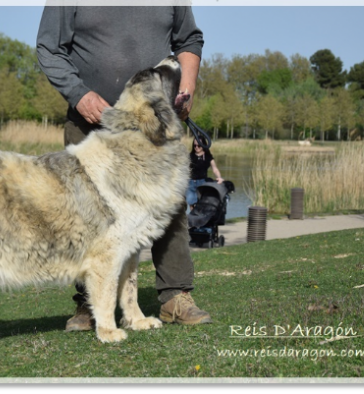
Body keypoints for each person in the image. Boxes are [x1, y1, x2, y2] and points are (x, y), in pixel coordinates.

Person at [36, 5, 212, 330]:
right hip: (91, 118)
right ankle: (90, 304)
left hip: (154, 119)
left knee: (169, 209)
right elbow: (49, 49)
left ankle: (175, 296)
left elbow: (189, 40)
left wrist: (185, 90)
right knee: (89, 216)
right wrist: (79, 94)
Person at [187, 135, 224, 211]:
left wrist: (219, 177)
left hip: (202, 182)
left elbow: (215, 169)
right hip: (191, 183)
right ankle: (194, 219)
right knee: (191, 202)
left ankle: (201, 219)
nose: (196, 147)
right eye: (195, 145)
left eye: (199, 145)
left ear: (203, 145)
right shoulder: (190, 156)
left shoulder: (208, 157)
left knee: (201, 203)